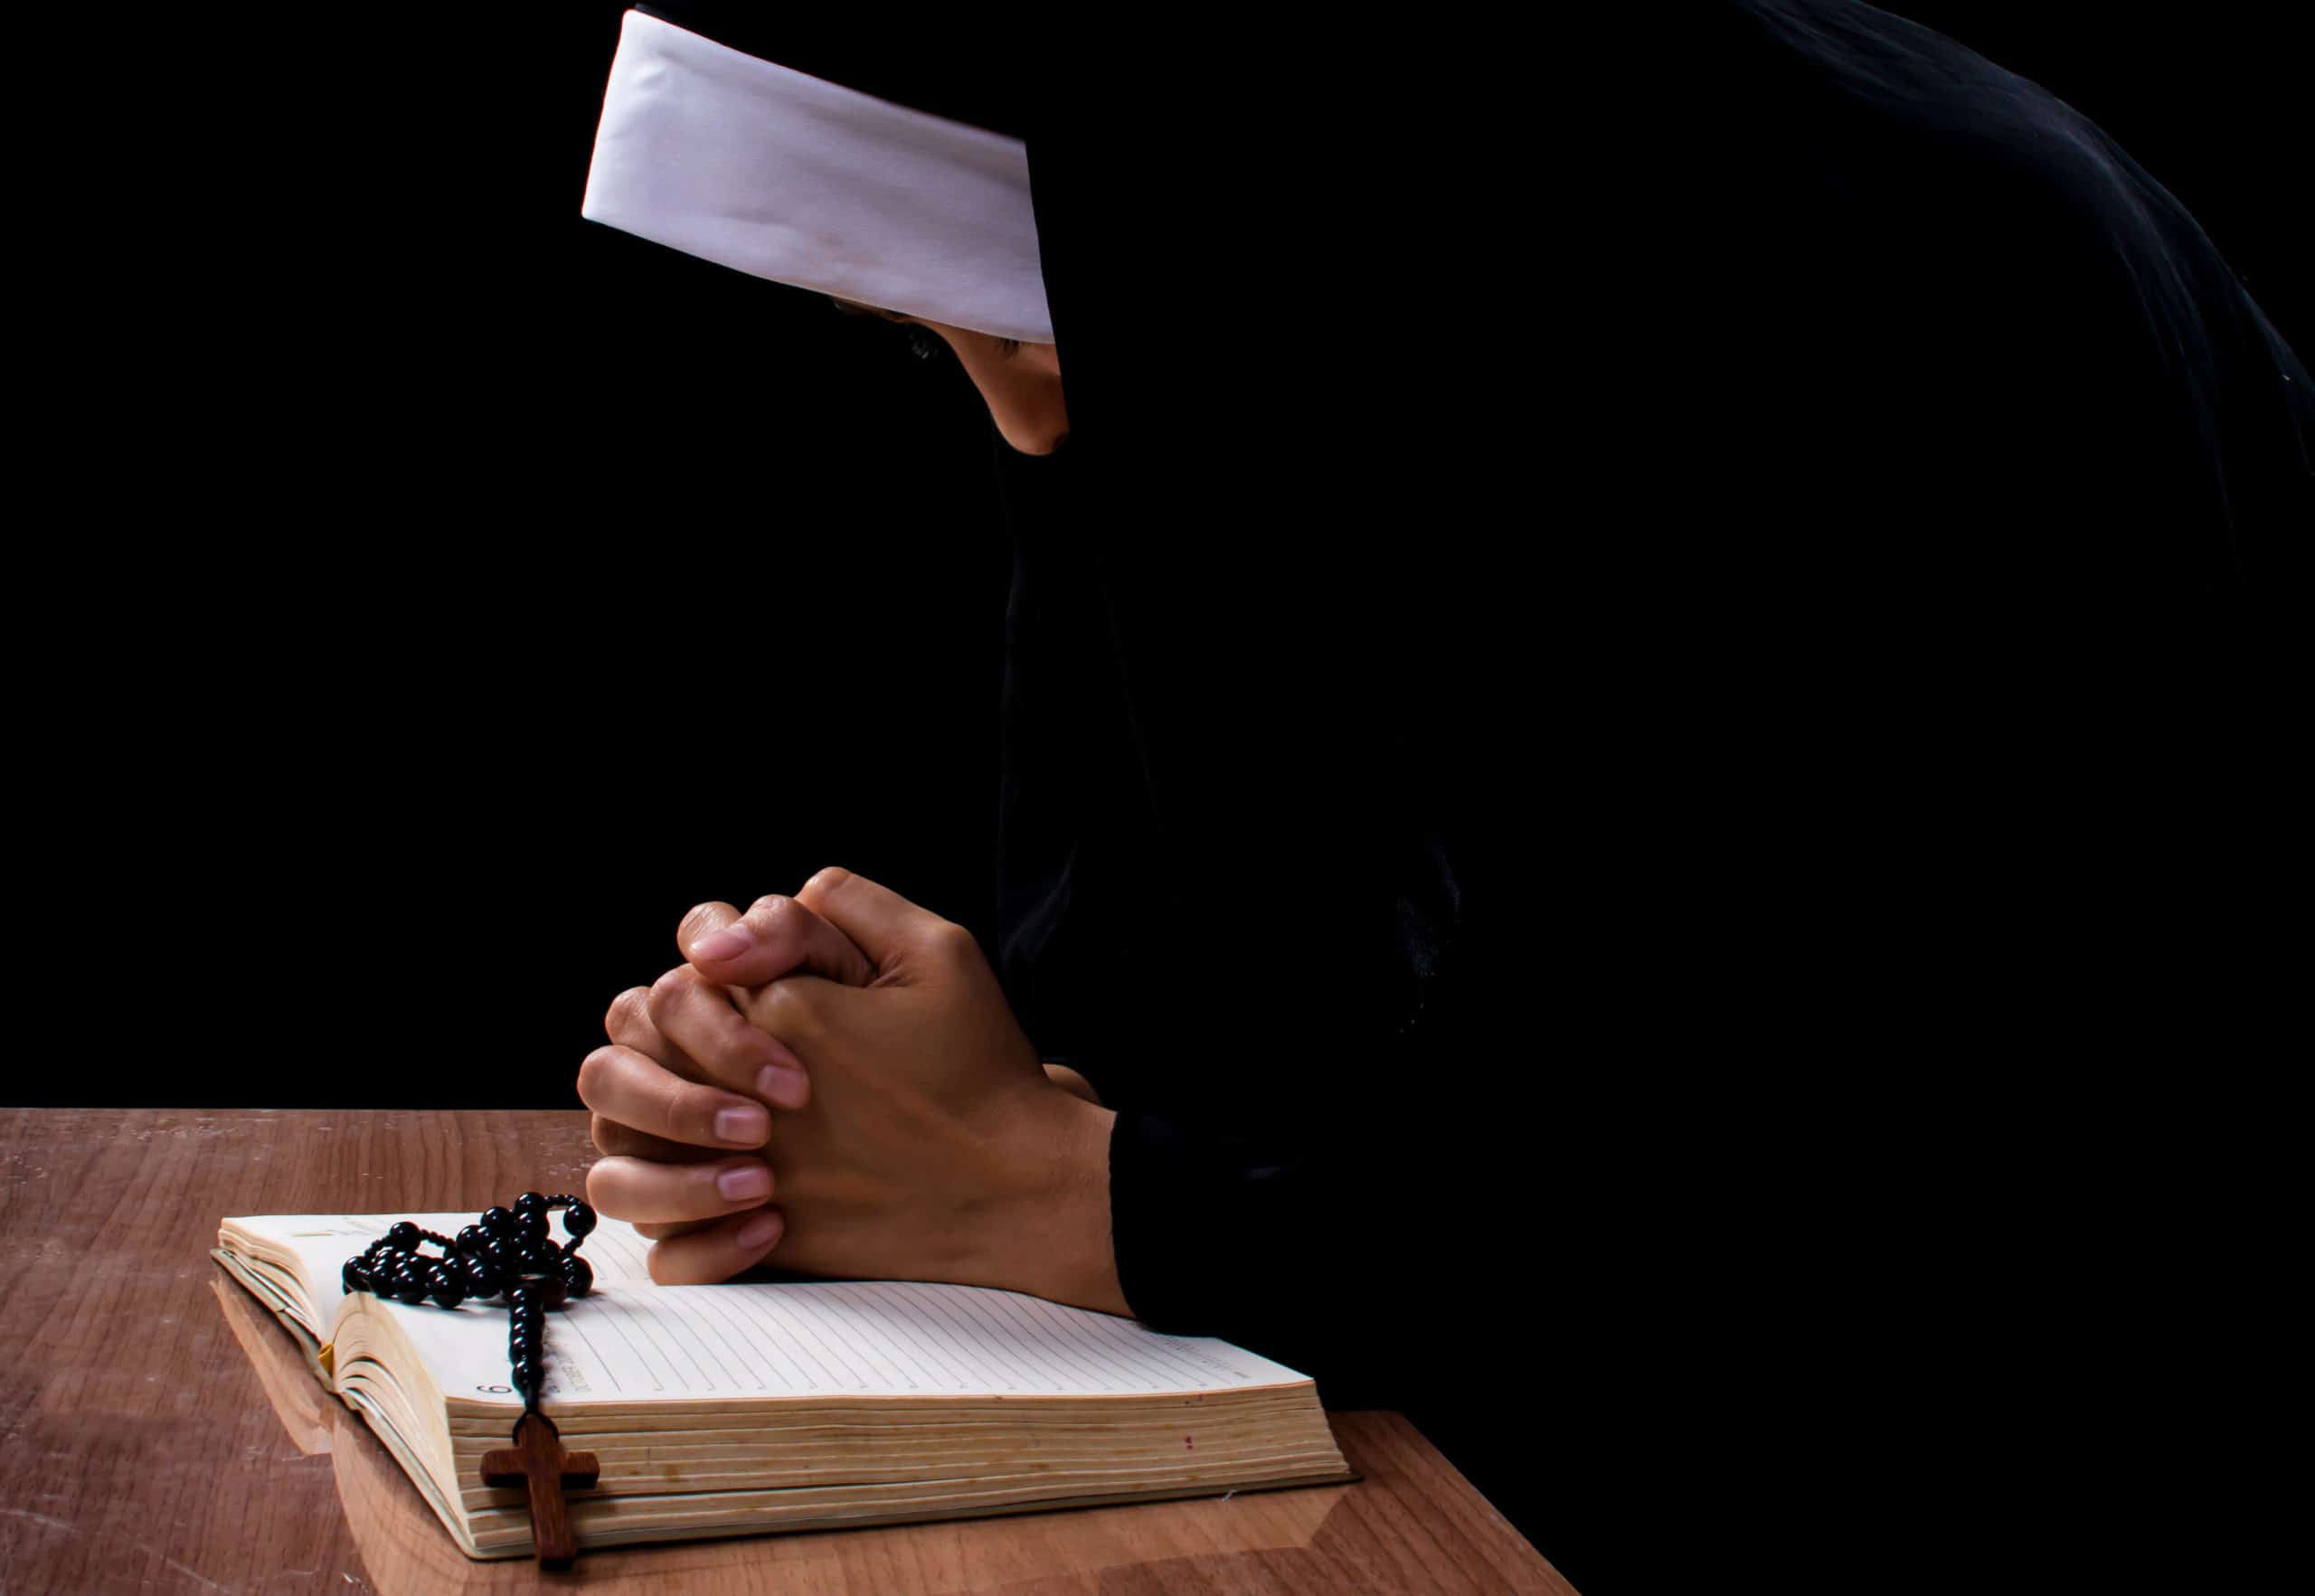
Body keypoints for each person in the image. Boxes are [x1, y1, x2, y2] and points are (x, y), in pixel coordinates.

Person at [572, 6, 2308, 1586]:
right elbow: (1256, 1022)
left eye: (1032, 307)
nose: (1021, 402)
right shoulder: (1373, 253)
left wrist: (1061, 1193)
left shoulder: (1806, 275)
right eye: (919, 328)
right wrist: (864, 1091)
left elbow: (1811, 1191)